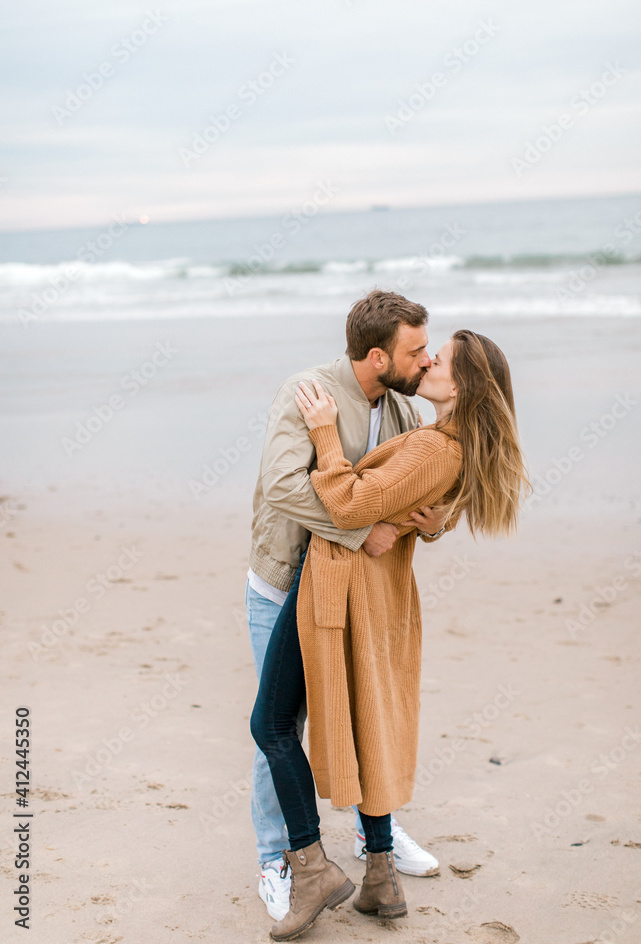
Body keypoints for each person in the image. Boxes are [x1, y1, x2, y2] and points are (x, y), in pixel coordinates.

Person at [251, 329, 531, 941]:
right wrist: (424, 520)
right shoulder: (438, 437)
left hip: (333, 582)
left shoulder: (435, 446)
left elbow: (351, 506)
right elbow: (408, 500)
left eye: (441, 359)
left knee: (271, 725)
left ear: (462, 385)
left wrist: (326, 433)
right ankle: (380, 874)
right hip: (366, 585)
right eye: (425, 351)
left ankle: (311, 866)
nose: (429, 361)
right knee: (368, 716)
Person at [246, 291, 449, 921]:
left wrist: (434, 522)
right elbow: (284, 488)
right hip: (284, 582)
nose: (425, 361)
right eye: (416, 351)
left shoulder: (402, 412)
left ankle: (372, 842)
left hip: (353, 591)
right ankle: (278, 858)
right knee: (280, 724)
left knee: (365, 710)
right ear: (377, 354)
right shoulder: (309, 394)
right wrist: (361, 531)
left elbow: (411, 497)